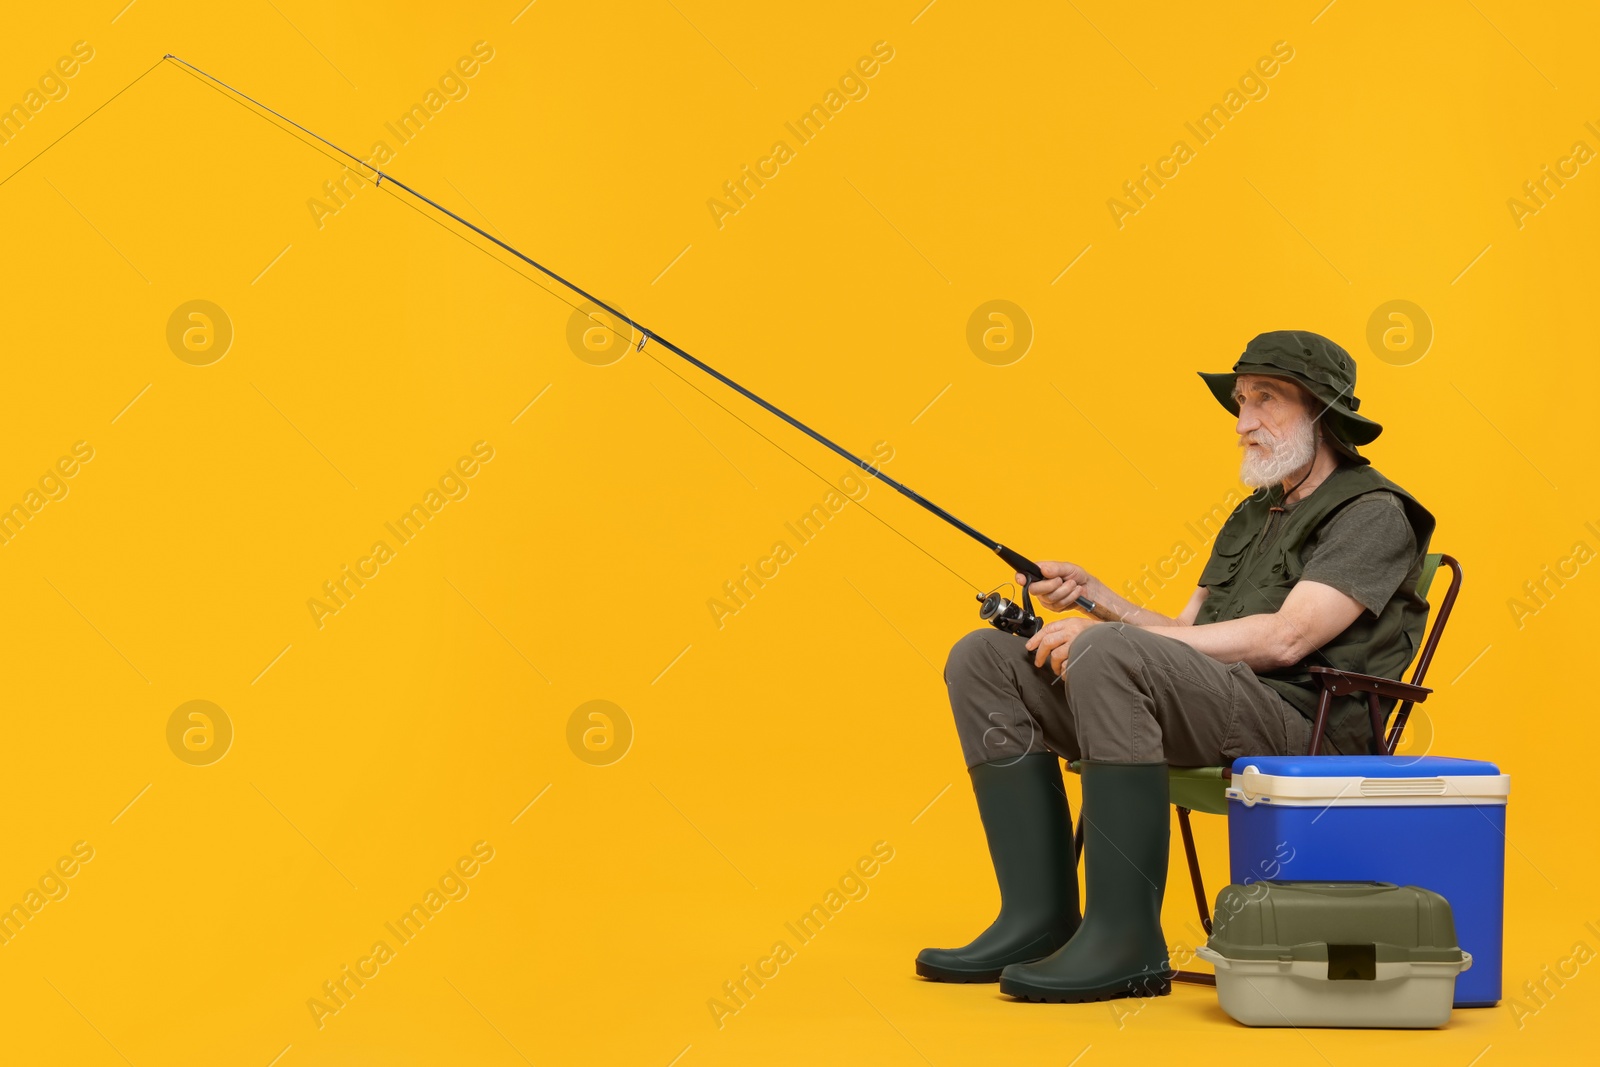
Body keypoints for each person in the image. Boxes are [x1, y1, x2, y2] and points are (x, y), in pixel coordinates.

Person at [915, 330, 1436, 1002]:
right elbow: (1187, 635)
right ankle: (1038, 919)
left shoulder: (1373, 511)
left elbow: (1284, 638)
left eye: (1264, 400)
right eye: (1241, 402)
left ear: (1320, 410)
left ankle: (1125, 940)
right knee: (984, 656)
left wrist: (1108, 643)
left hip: (1303, 728)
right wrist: (1097, 597)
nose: (1243, 421)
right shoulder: (1255, 515)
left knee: (1105, 654)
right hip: (1217, 704)